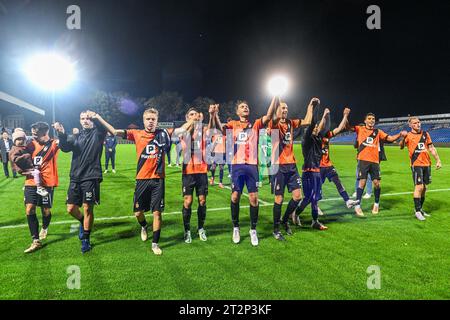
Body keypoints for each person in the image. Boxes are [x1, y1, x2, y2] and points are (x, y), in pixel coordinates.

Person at [214, 98, 278, 246]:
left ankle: (253, 230)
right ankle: (236, 227)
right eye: (242, 107)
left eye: (247, 106)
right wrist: (215, 115)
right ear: (237, 111)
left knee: (253, 199)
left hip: (251, 166)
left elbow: (268, 116)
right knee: (235, 196)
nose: (245, 108)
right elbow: (219, 128)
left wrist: (274, 97)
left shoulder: (255, 124)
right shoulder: (232, 124)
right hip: (237, 165)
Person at [53, 110, 115, 253]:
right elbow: (65, 148)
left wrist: (98, 117)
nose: (85, 121)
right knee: (70, 209)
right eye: (82, 118)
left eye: (87, 118)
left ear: (92, 120)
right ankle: (82, 221)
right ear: (79, 120)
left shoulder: (98, 133)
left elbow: (110, 130)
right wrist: (61, 134)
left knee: (87, 208)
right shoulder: (76, 135)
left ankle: (86, 239)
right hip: (75, 177)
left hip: (91, 176)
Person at [114, 108, 171, 255]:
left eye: (153, 119)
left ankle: (155, 244)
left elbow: (181, 130)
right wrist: (98, 118)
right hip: (141, 179)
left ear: (157, 120)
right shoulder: (137, 134)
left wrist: (193, 119)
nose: (151, 121)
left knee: (157, 213)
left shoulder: (162, 134)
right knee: (138, 212)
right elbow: (115, 131)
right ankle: (144, 226)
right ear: (143, 120)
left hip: (158, 179)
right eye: (148, 119)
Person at [269, 97, 315, 240]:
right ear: (277, 110)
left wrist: (310, 105)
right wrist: (276, 99)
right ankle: (276, 229)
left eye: (286, 108)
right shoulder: (273, 124)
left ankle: (284, 220)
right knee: (279, 198)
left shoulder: (290, 123)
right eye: (282, 108)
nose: (285, 110)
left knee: (297, 196)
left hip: (292, 165)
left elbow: (307, 121)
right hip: (278, 166)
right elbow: (273, 117)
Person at [347, 113, 403, 216]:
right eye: (369, 119)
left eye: (373, 119)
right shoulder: (360, 129)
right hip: (363, 160)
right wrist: (345, 115)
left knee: (377, 183)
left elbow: (389, 138)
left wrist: (399, 134)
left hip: (375, 161)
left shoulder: (378, 132)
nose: (371, 120)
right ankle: (358, 205)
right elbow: (347, 127)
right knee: (362, 182)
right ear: (365, 121)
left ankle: (376, 204)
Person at [174, 107, 214, 243]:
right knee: (188, 201)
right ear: (187, 118)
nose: (194, 116)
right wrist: (192, 121)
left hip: (201, 171)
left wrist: (211, 115)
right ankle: (187, 230)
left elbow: (213, 129)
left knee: (202, 200)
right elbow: (179, 131)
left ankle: (201, 228)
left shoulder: (203, 131)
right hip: (188, 172)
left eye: (196, 115)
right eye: (191, 115)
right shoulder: (183, 130)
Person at [19, 122, 59, 253]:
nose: (33, 136)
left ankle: (45, 227)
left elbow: (67, 143)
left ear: (45, 133)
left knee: (46, 210)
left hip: (47, 182)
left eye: (36, 134)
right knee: (30, 209)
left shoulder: (54, 144)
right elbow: (20, 157)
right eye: (32, 133)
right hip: (31, 182)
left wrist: (62, 131)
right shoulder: (30, 145)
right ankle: (35, 240)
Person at [292, 107, 330, 230]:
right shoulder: (306, 140)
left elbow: (324, 127)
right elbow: (313, 123)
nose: (315, 128)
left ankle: (315, 221)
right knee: (311, 197)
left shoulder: (319, 139)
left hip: (317, 172)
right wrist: (315, 109)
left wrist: (326, 116)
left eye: (316, 128)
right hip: (308, 172)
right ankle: (296, 213)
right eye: (313, 128)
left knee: (315, 199)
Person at [317, 108, 359, 215]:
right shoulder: (316, 136)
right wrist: (324, 115)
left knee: (338, 182)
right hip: (318, 167)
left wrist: (345, 115)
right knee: (318, 187)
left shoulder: (328, 135)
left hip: (328, 165)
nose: (326, 126)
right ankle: (315, 206)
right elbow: (320, 127)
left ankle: (347, 201)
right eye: (324, 125)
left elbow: (339, 128)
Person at [400, 116, 442, 220]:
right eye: (414, 123)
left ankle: (420, 209)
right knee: (419, 187)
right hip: (416, 164)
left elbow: (431, 148)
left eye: (418, 122)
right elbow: (401, 146)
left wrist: (438, 160)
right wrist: (403, 138)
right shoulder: (408, 135)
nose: (417, 124)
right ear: (410, 125)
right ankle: (417, 211)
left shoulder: (425, 134)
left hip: (427, 164)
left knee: (425, 188)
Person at [9, 128, 48, 197]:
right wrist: (26, 156)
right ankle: (39, 187)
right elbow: (15, 159)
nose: (20, 141)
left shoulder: (22, 147)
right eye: (18, 139)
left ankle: (26, 186)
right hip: (22, 168)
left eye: (22, 139)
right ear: (14, 141)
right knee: (36, 172)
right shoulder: (14, 149)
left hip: (25, 167)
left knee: (35, 171)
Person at [208, 123, 226, 188]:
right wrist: (212, 150)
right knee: (213, 167)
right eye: (223, 128)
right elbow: (215, 143)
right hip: (217, 153)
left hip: (223, 153)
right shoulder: (218, 136)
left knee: (221, 168)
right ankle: (212, 177)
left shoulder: (225, 136)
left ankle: (220, 182)